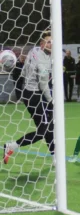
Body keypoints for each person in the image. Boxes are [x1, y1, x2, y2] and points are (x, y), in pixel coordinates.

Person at [3, 31, 55, 165]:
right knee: (43, 130)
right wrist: (52, 101)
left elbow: (25, 71)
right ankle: (12, 146)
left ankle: (55, 156)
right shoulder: (43, 60)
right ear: (42, 44)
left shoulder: (33, 51)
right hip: (36, 96)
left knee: (48, 128)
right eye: (48, 41)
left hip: (28, 93)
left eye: (52, 41)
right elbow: (43, 84)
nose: (51, 44)